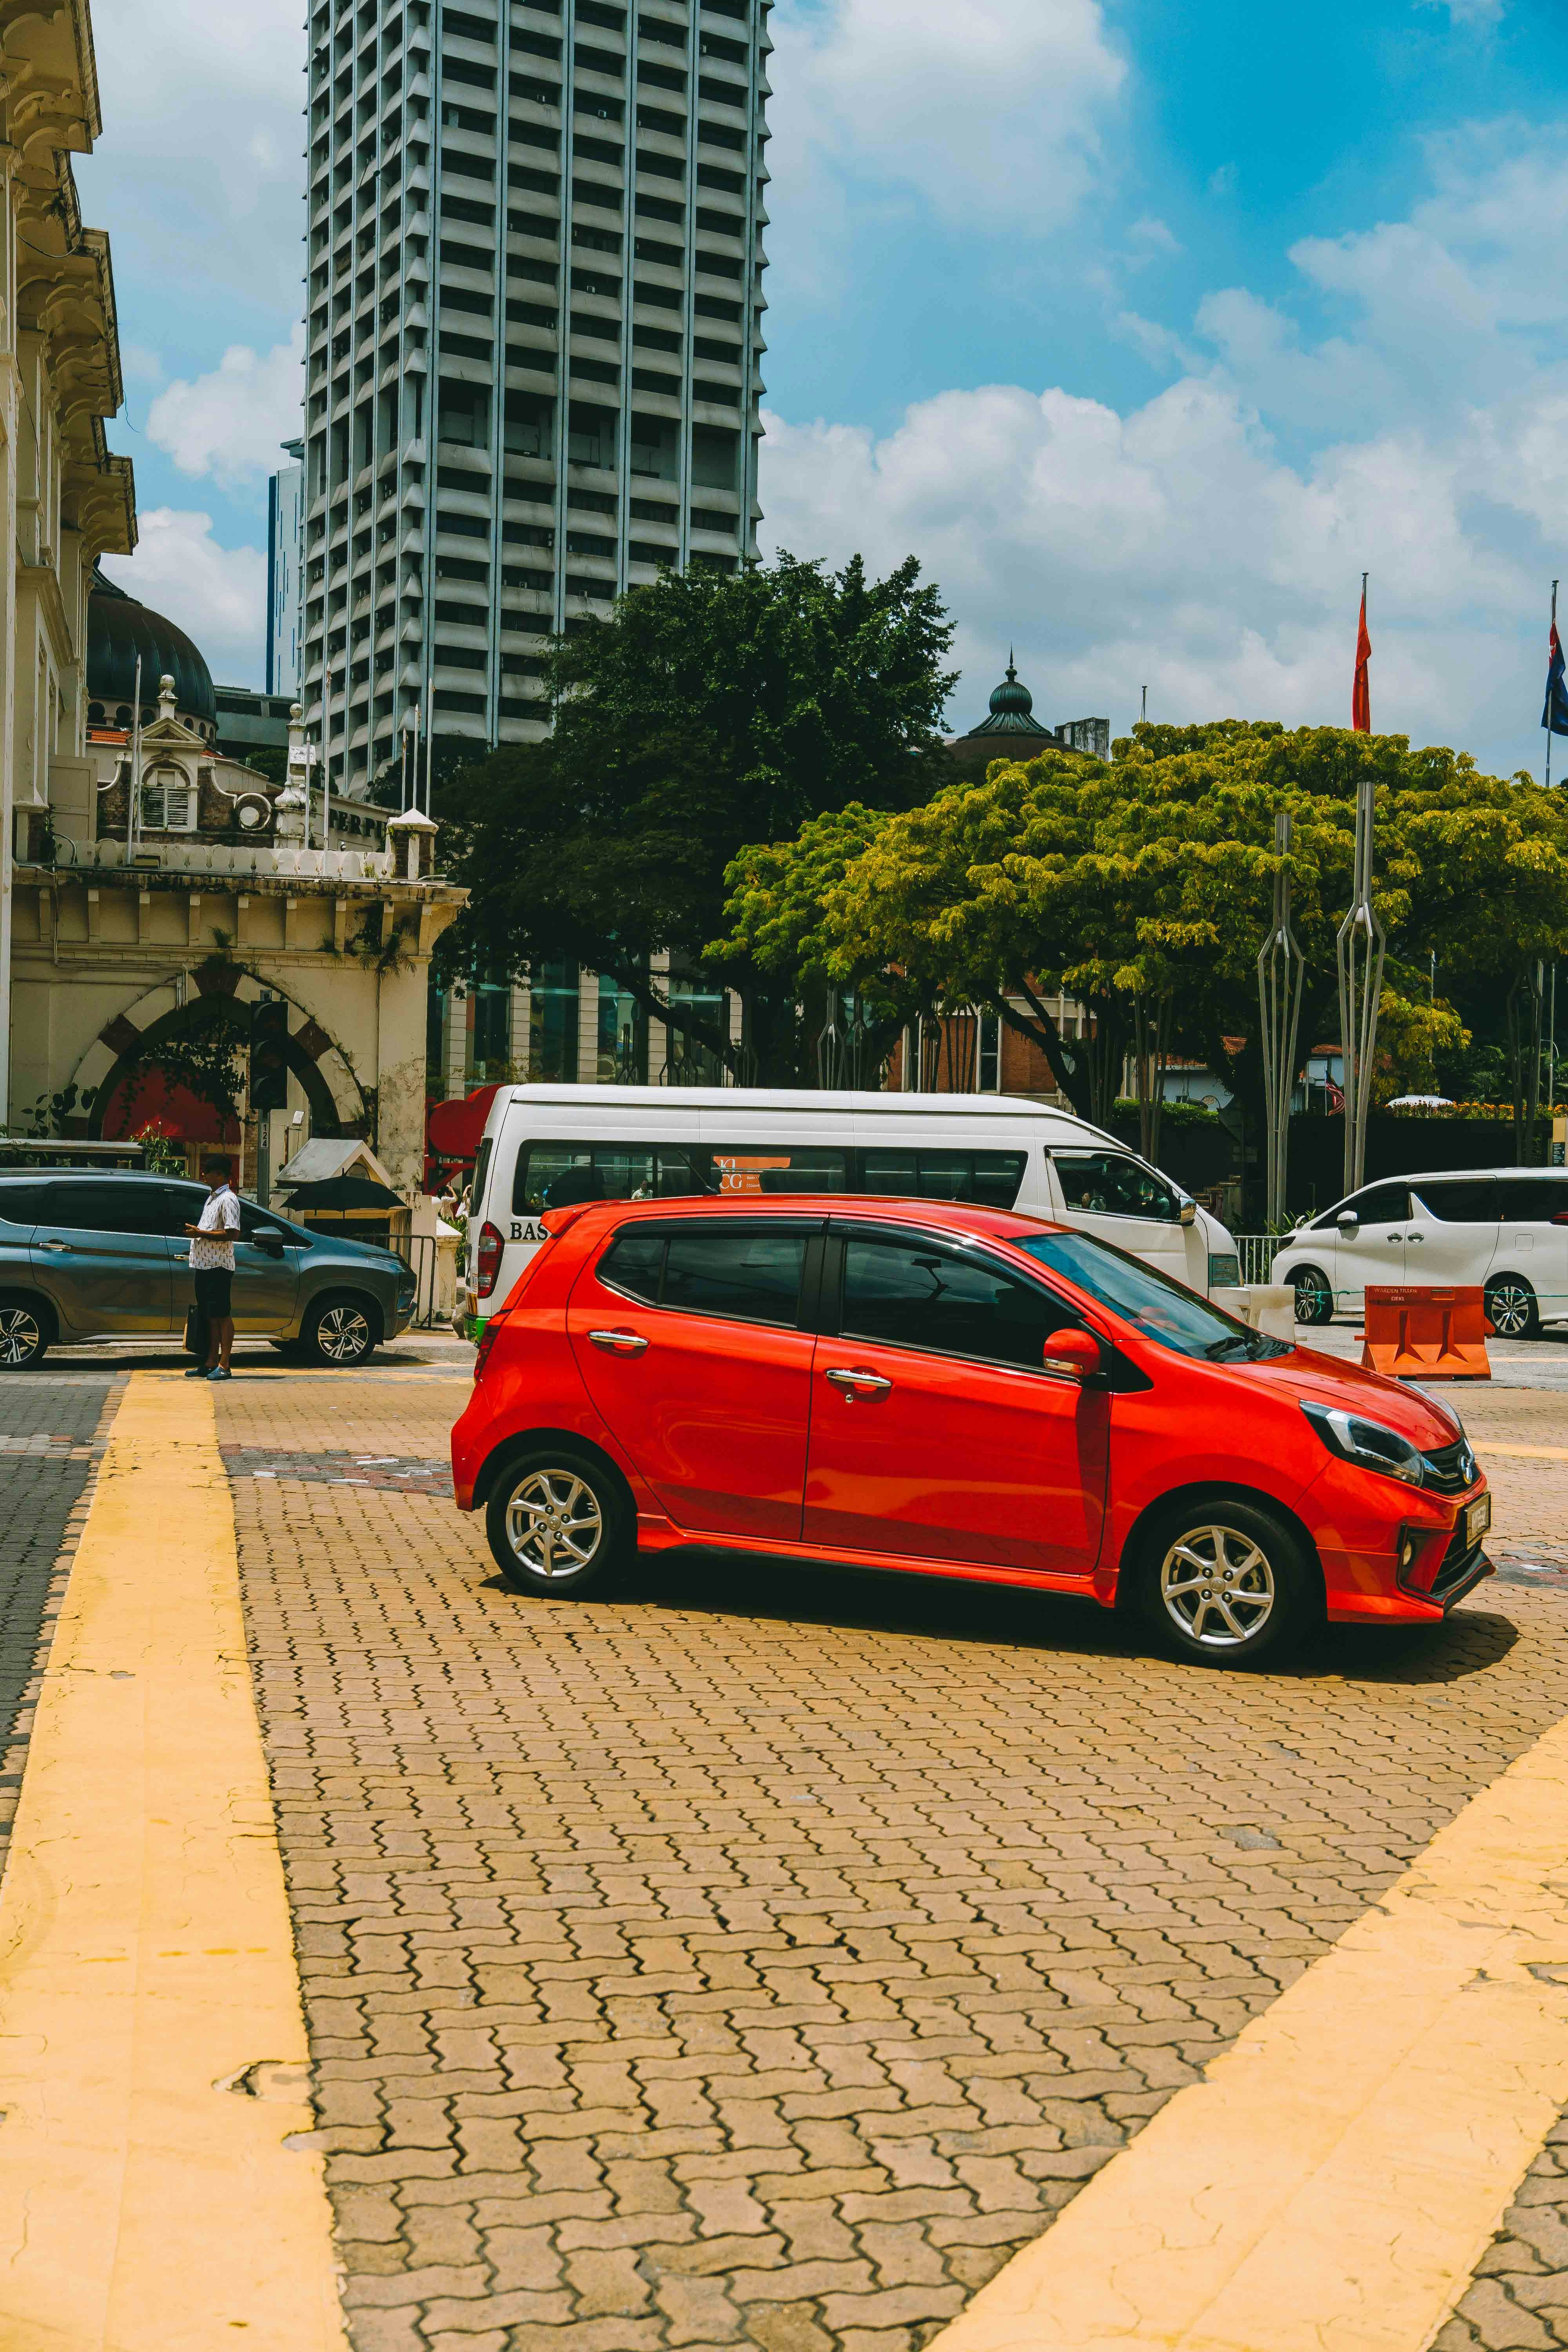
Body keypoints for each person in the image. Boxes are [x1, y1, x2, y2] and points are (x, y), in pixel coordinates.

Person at [184, 1155, 241, 1380]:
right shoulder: (211, 1198)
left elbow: (232, 1233)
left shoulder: (228, 1199)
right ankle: (210, 1362)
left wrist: (200, 1234)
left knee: (222, 1315)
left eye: (207, 1171)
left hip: (219, 1265)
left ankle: (225, 1364)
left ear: (219, 1174)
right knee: (209, 1315)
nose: (204, 1175)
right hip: (204, 1264)